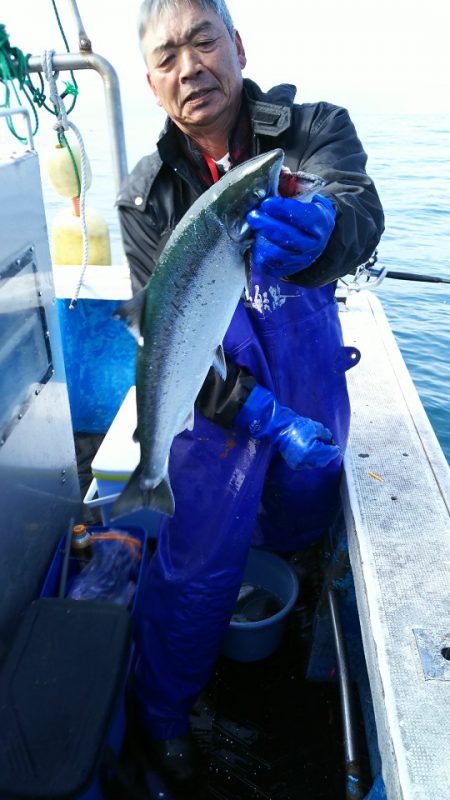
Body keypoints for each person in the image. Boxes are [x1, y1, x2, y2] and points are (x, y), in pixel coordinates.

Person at [116, 0, 384, 791]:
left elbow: (357, 207)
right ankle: (164, 718)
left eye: (204, 41)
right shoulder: (143, 198)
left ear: (236, 45)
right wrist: (257, 413)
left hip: (308, 378)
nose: (190, 66)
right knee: (196, 565)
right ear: (151, 81)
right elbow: (164, 336)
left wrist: (327, 223)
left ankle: (294, 612)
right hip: (215, 404)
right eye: (168, 56)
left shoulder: (309, 130)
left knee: (302, 520)